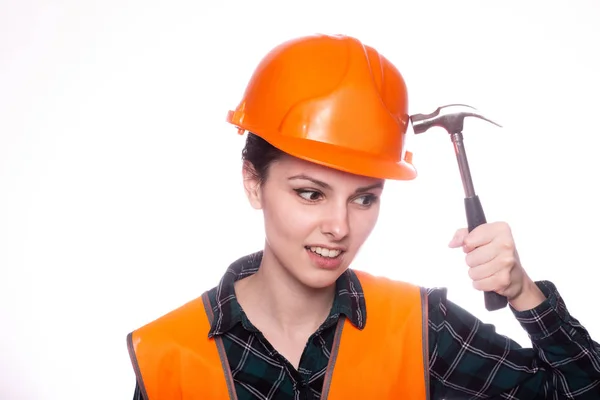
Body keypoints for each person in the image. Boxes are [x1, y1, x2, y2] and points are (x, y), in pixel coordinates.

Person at [127, 34, 600, 399]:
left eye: (364, 198)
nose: (340, 227)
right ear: (253, 182)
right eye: (311, 193)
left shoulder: (420, 329)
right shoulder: (169, 356)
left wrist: (523, 293)